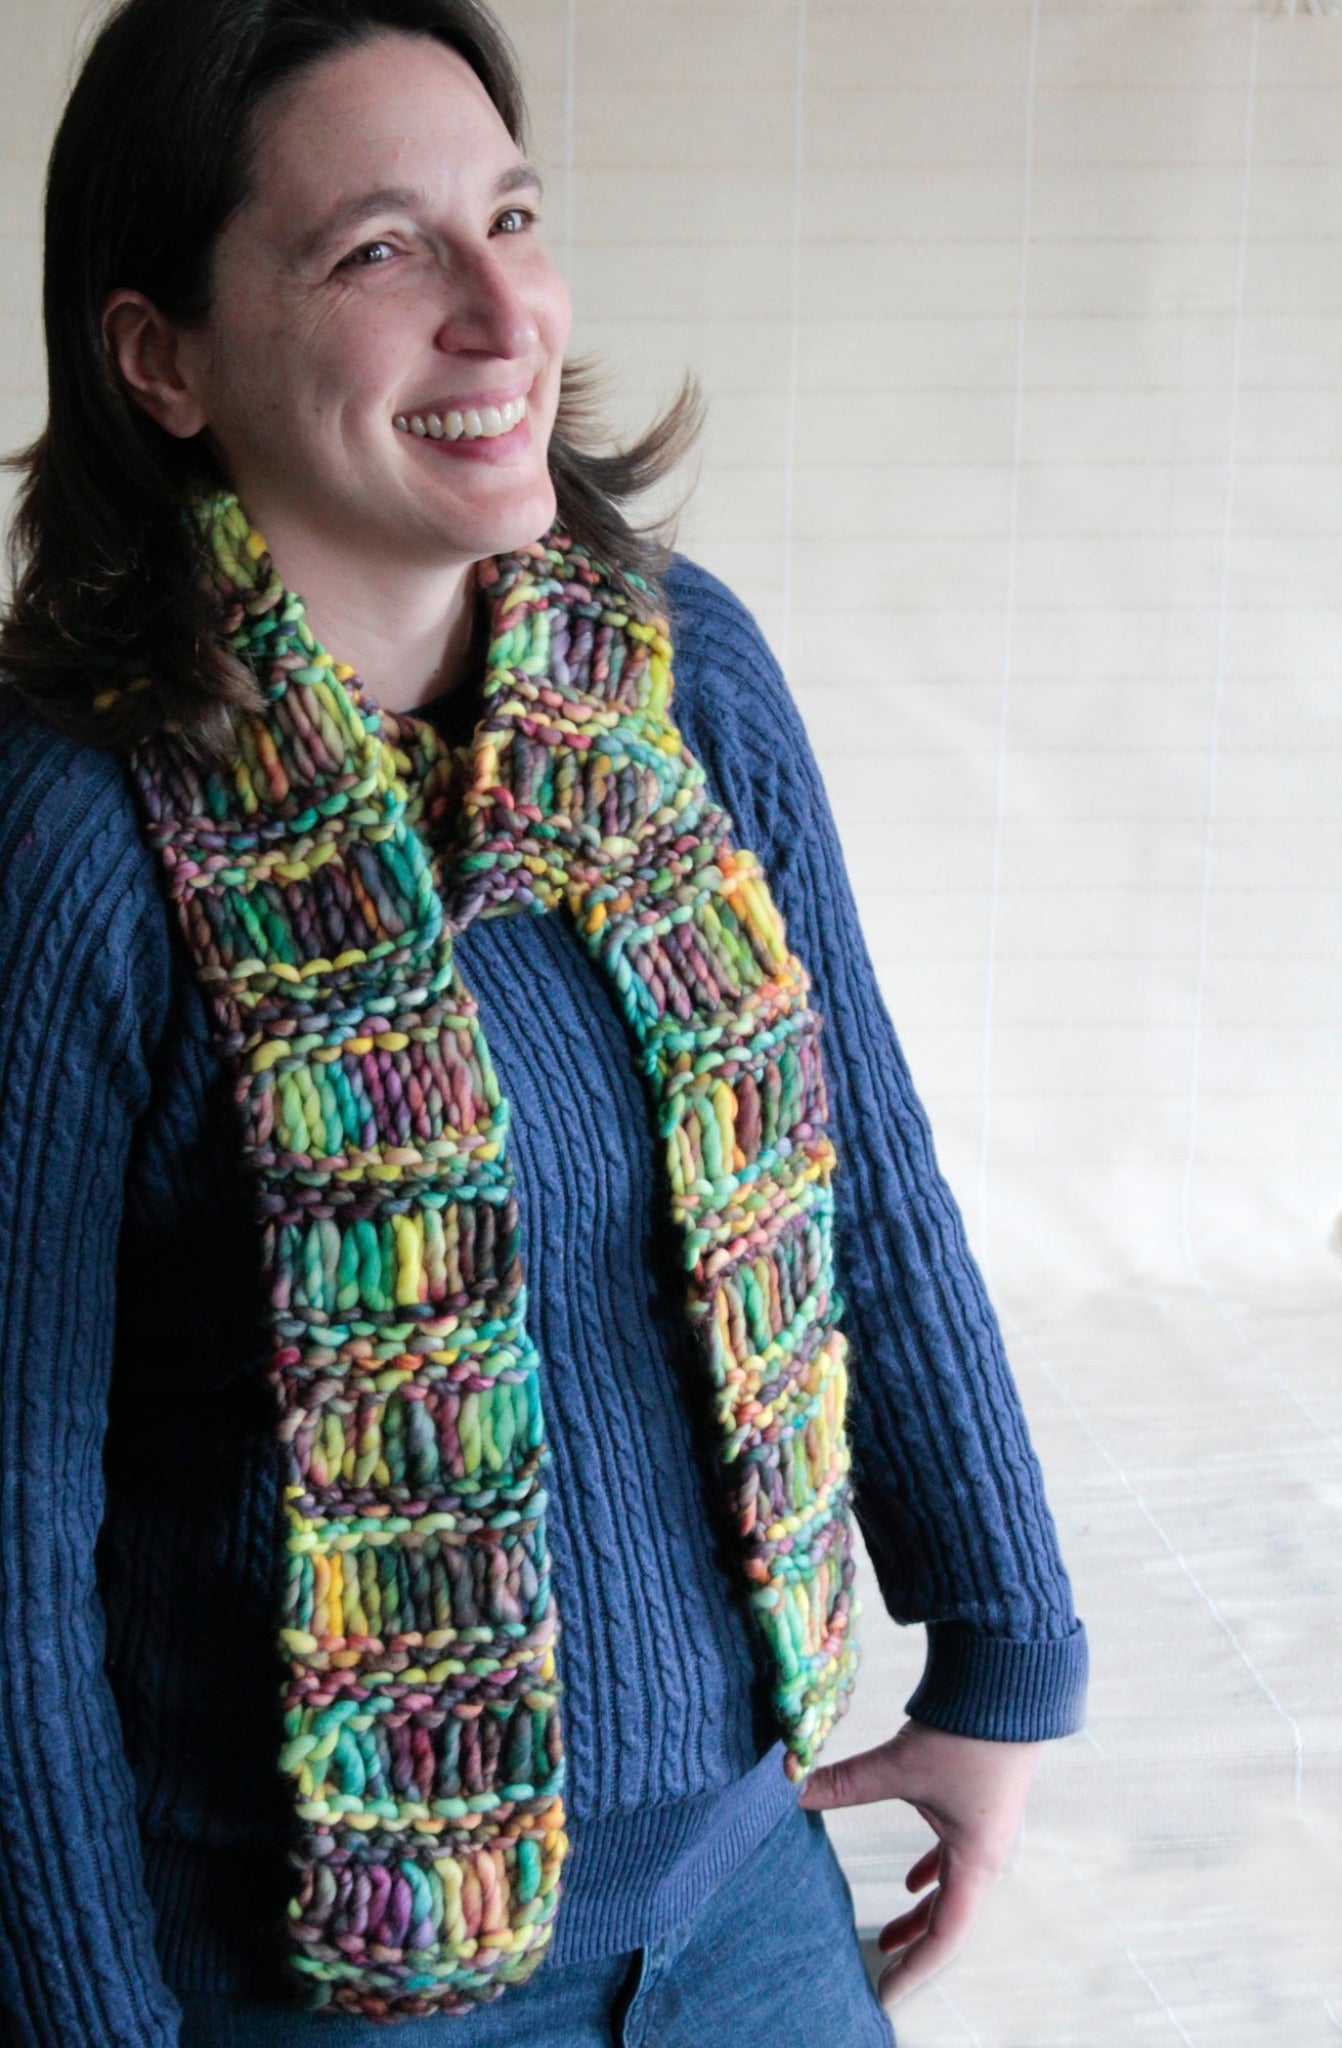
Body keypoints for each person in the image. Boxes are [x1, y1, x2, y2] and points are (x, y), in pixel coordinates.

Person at [0, 2, 1089, 2043]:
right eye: (380, 251)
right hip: (311, 1966)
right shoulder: (68, 830)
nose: (505, 314)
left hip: (740, 1889)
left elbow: (862, 1170)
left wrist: (1000, 1653)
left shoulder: (679, 680)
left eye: (512, 215)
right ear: (158, 354)